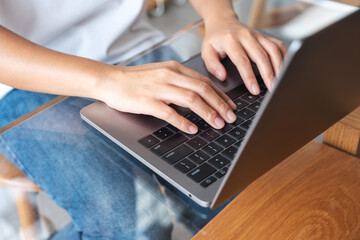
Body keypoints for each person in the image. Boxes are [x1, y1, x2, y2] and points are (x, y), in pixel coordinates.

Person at [0, 0, 287, 239]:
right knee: (135, 226)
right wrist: (109, 81)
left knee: (241, 192)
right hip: (24, 77)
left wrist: (221, 17)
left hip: (133, 47)